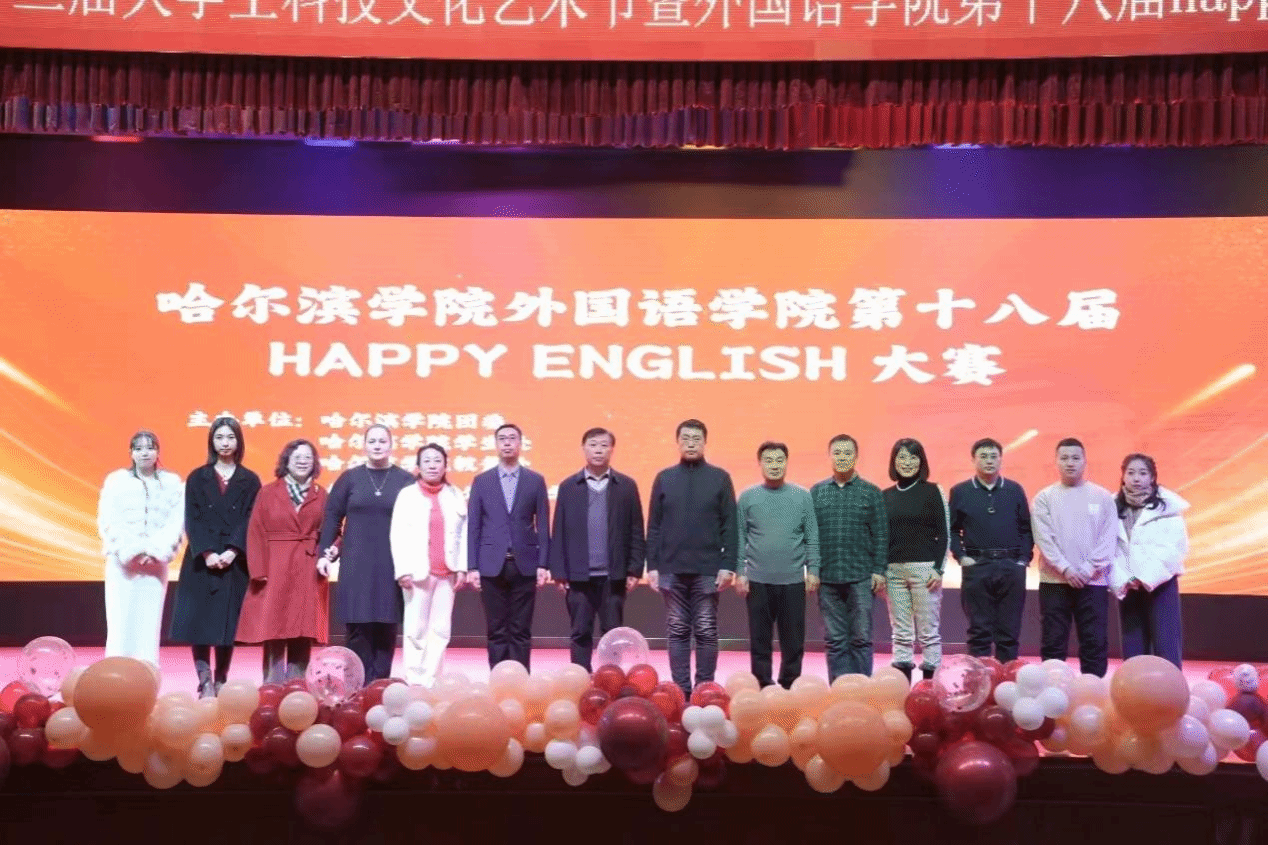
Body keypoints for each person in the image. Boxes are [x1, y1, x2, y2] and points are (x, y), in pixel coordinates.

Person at [170, 416, 262, 697]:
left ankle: (222, 678)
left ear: (239, 441)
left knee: (227, 624)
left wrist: (233, 550)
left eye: (230, 437)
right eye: (219, 437)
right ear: (211, 441)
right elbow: (192, 518)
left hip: (235, 560)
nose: (225, 443)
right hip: (202, 559)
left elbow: (251, 519)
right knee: (199, 623)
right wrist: (208, 552)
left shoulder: (250, 479)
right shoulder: (198, 477)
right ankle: (204, 680)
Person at [646, 418, 738, 698]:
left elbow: (730, 525)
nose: (690, 443)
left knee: (706, 630)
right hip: (671, 568)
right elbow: (654, 526)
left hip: (708, 569)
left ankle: (704, 688)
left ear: (705, 442)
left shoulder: (720, 478)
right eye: (685, 438)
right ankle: (682, 690)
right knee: (677, 631)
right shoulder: (664, 478)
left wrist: (728, 565)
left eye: (696, 439)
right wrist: (653, 566)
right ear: (677, 442)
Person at [318, 424, 415, 684]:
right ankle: (355, 686)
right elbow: (332, 517)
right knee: (357, 627)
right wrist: (324, 554)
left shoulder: (406, 480)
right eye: (372, 441)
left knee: (386, 626)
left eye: (382, 441)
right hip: (356, 564)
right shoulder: (349, 478)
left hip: (391, 564)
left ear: (391, 445)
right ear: (364, 445)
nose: (377, 446)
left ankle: (379, 686)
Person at [548, 427, 646, 672]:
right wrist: (558, 573)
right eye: (593, 445)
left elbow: (636, 529)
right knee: (580, 632)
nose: (598, 450)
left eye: (604, 445)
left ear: (612, 449)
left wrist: (634, 569)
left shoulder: (626, 486)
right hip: (578, 577)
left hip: (614, 575)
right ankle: (580, 679)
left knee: (612, 634)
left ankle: (611, 681)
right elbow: (558, 531)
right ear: (584, 449)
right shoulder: (569, 486)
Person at [236, 439, 329, 684]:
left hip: (307, 566)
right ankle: (273, 686)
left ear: (314, 463)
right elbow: (255, 531)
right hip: (275, 566)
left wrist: (329, 554)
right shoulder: (268, 492)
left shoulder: (321, 494)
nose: (302, 461)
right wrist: (258, 569)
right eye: (297, 457)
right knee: (274, 628)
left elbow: (331, 529)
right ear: (286, 461)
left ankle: (298, 686)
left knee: (303, 628)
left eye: (308, 457)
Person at [735, 441, 819, 689]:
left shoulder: (802, 496)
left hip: (793, 581)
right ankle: (763, 685)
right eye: (769, 460)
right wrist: (740, 572)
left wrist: (813, 570)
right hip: (757, 580)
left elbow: (812, 536)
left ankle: (789, 685)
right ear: (760, 463)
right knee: (759, 641)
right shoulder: (747, 497)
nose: (774, 465)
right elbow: (739, 537)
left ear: (786, 462)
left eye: (779, 460)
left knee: (793, 641)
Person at [97, 430, 184, 668]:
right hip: (122, 564)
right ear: (131, 453)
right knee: (119, 621)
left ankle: (146, 674)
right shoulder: (116, 482)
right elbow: (109, 519)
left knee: (149, 623)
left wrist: (155, 551)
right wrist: (132, 550)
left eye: (150, 448)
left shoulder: (172, 484)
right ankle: (115, 674)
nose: (145, 453)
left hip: (155, 565)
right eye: (138, 448)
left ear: (158, 451)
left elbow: (176, 522)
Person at [1031, 437, 1118, 677]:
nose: (1070, 463)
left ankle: (1093, 690)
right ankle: (1052, 691)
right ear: (1056, 462)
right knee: (1053, 642)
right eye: (1065, 458)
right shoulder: (1044, 497)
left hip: (1094, 582)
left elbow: (1108, 537)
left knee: (1094, 642)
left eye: (1076, 458)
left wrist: (1088, 569)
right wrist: (1066, 569)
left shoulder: (1103, 497)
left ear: (1085, 461)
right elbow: (1043, 538)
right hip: (1054, 581)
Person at [467, 423, 550, 670]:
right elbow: (474, 527)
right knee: (496, 629)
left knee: (521, 629)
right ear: (495, 444)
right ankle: (498, 679)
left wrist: (543, 564)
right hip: (491, 564)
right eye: (502, 438)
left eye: (512, 438)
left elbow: (543, 524)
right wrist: (472, 566)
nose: (507, 443)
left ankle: (520, 679)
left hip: (525, 564)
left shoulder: (535, 481)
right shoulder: (482, 481)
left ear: (520, 444)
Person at [389, 443, 469, 686]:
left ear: (445, 465)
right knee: (416, 629)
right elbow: (397, 534)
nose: (432, 465)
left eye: (437, 461)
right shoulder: (407, 495)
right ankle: (415, 680)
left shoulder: (455, 494)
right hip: (417, 573)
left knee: (441, 630)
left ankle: (433, 680)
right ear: (418, 466)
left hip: (447, 572)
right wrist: (402, 570)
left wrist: (462, 567)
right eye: (427, 461)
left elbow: (464, 534)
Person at [948, 438, 1034, 663]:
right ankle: (980, 681)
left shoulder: (1014, 490)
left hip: (1011, 567)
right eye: (983, 456)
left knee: (1009, 633)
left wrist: (1022, 560)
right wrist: (962, 557)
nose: (989, 461)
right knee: (979, 633)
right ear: (973, 460)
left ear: (1001, 459)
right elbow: (952, 530)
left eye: (994, 456)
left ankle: (1007, 679)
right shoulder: (960, 491)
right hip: (977, 566)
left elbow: (1026, 528)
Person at [811, 434, 888, 680]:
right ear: (830, 456)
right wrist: (811, 570)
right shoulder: (817, 492)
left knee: (861, 638)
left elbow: (881, 534)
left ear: (856, 457)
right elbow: (810, 535)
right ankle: (839, 690)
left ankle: (862, 690)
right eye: (837, 453)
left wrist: (879, 570)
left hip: (861, 576)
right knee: (835, 640)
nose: (842, 457)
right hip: (827, 577)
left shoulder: (871, 492)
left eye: (847, 453)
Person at [1110, 453, 1188, 668]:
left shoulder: (1169, 508)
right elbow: (1108, 549)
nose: (1136, 478)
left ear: (1152, 477)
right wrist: (1125, 578)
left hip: (1161, 585)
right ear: (1123, 476)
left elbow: (1174, 549)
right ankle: (1134, 688)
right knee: (1133, 646)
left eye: (1143, 473)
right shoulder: (1111, 507)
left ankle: (1170, 688)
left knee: (1166, 644)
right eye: (1131, 473)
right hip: (1128, 585)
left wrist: (1145, 577)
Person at [881, 438, 948, 682]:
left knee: (928, 633)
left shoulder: (933, 491)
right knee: (901, 634)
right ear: (894, 462)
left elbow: (944, 533)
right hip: (893, 573)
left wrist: (939, 569)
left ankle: (931, 689)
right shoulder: (885, 495)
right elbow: (881, 536)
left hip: (925, 572)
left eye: (913, 457)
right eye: (901, 457)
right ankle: (902, 689)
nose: (907, 462)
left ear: (921, 461)